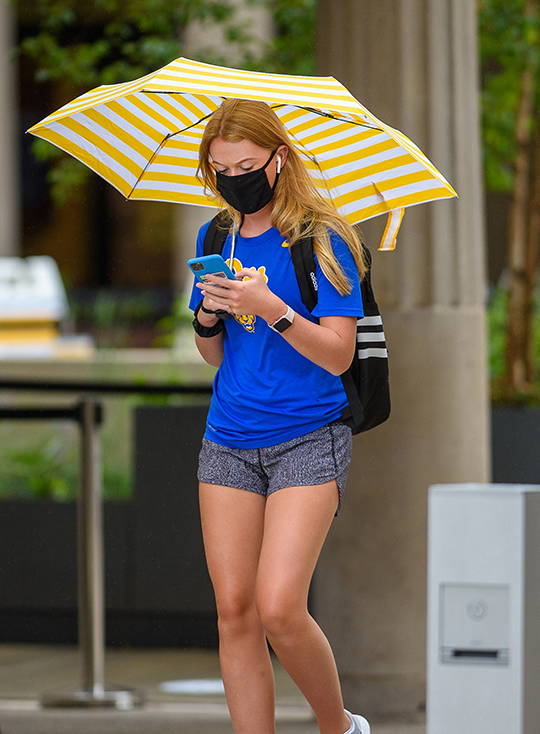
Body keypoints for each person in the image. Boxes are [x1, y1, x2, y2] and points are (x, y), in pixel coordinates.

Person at [188, 98, 370, 734]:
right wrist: (209, 315)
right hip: (229, 441)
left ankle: (339, 728)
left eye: (245, 165)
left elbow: (339, 354)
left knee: (279, 606)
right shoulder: (218, 236)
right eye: (219, 169)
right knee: (234, 609)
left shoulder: (324, 239)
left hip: (308, 437)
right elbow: (212, 355)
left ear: (279, 159)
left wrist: (271, 306)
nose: (233, 179)